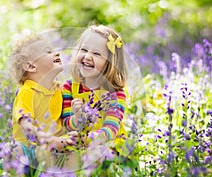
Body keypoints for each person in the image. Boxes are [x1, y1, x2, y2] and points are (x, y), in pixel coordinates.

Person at [9, 33, 76, 169]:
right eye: (48, 52)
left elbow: (66, 119)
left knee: (76, 153)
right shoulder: (27, 92)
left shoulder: (61, 89)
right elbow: (26, 125)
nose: (56, 53)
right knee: (14, 149)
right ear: (31, 66)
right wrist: (47, 140)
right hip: (29, 151)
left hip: (56, 148)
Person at [62, 25, 127, 155]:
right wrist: (77, 118)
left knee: (96, 154)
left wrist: (87, 140)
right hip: (77, 143)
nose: (87, 57)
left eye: (96, 54)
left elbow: (111, 130)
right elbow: (66, 125)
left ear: (110, 63)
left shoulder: (115, 93)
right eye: (84, 49)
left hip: (107, 148)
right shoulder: (69, 87)